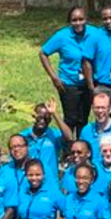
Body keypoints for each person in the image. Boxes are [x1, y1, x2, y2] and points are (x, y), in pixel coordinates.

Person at [40, 7, 96, 139]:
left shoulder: (94, 33)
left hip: (88, 83)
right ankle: (67, 151)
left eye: (81, 19)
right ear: (69, 22)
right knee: (71, 119)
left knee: (83, 119)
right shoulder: (62, 36)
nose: (78, 23)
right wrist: (54, 77)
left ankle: (82, 149)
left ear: (86, 19)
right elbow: (43, 53)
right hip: (69, 83)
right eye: (74, 20)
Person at [82, 6, 111, 119]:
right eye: (105, 19)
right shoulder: (95, 36)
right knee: (102, 120)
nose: (108, 21)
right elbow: (87, 61)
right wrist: (91, 87)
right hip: (102, 85)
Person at [20, 103, 65, 182]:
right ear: (33, 117)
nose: (42, 121)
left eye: (46, 118)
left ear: (50, 120)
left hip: (50, 182)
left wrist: (54, 114)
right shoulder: (23, 136)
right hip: (29, 181)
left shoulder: (54, 134)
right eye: (39, 117)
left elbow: (69, 137)